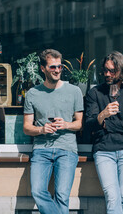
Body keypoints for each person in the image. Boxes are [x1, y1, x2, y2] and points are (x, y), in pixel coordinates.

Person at [23, 49, 84, 214]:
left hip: (66, 149)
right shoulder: (33, 93)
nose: (57, 70)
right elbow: (27, 127)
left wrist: (66, 125)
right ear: (43, 69)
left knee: (62, 196)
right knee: (37, 191)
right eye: (52, 67)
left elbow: (79, 124)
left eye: (60, 66)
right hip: (42, 149)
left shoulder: (74, 91)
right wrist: (42, 129)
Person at [85, 51, 123, 214]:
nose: (107, 74)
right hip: (103, 151)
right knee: (113, 197)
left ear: (122, 71)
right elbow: (88, 125)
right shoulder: (95, 93)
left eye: (112, 71)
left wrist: (106, 125)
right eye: (105, 70)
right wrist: (103, 115)